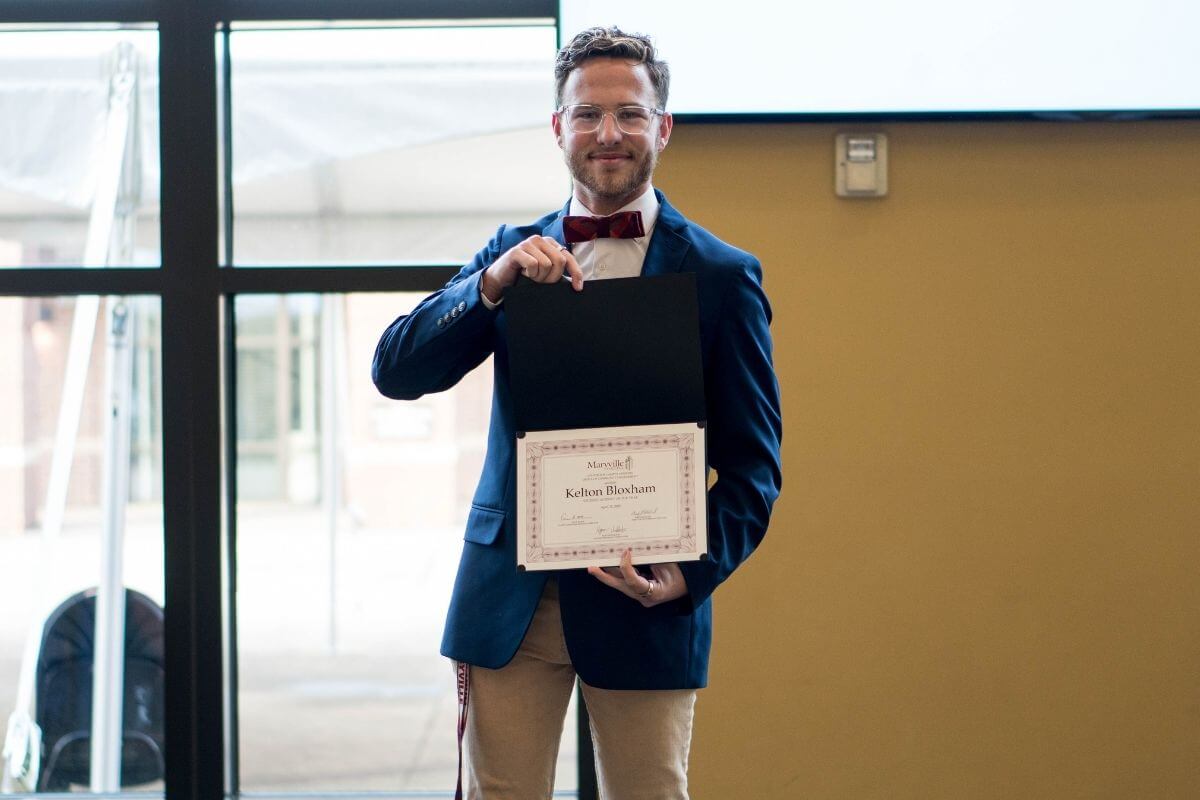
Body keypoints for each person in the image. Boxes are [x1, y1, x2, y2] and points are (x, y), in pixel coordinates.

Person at [372, 26, 782, 800]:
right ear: (558, 128)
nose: (608, 133)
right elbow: (397, 370)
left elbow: (756, 466)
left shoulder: (723, 277)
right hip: (511, 601)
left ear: (662, 127)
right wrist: (489, 283)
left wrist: (688, 575)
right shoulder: (509, 252)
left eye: (630, 114)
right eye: (587, 114)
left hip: (643, 596)